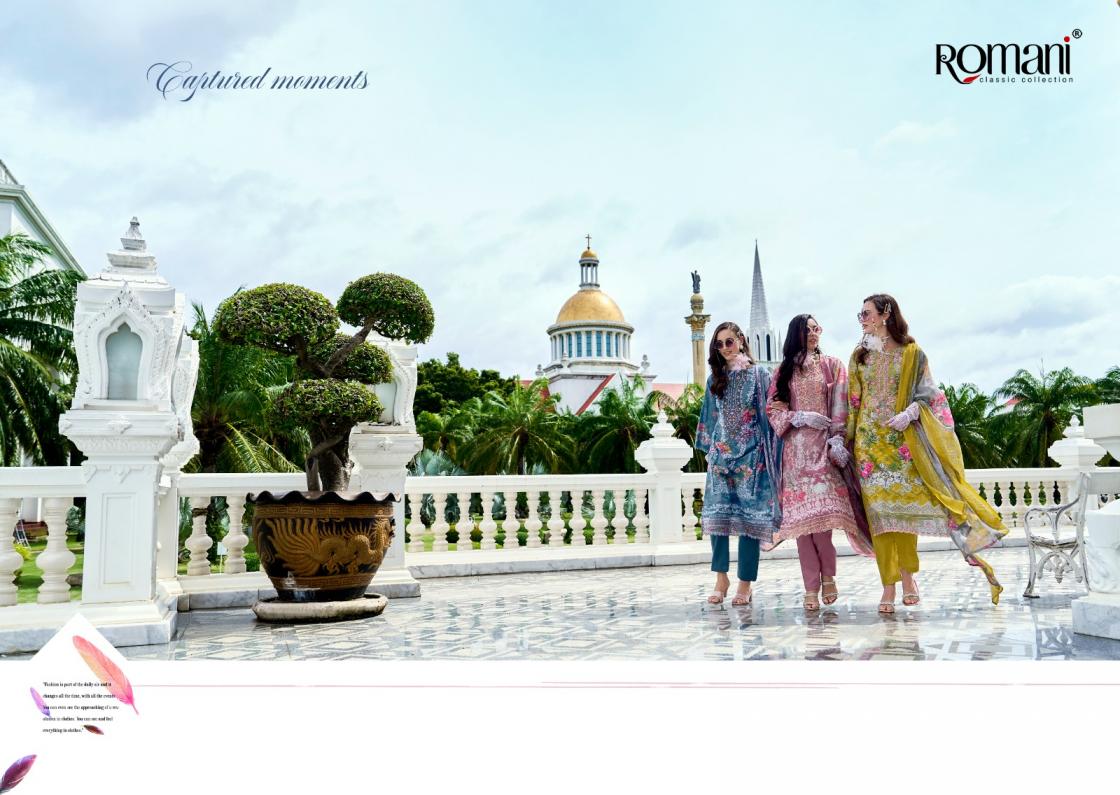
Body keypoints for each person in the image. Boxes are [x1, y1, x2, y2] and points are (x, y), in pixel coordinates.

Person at [846, 294, 1007, 614]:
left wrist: (910, 413)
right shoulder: (859, 356)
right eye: (860, 314)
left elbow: (930, 395)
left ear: (885, 314)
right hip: (869, 448)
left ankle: (908, 579)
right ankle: (888, 585)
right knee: (880, 520)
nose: (861, 319)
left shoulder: (912, 353)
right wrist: (845, 440)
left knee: (902, 515)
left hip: (903, 445)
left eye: (866, 313)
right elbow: (853, 402)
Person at [766, 314, 871, 611]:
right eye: (807, 330)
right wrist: (799, 417)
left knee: (823, 524)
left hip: (823, 451)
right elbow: (773, 410)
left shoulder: (832, 366)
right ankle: (810, 586)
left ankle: (829, 577)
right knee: (803, 529)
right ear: (795, 334)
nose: (813, 334)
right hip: (795, 456)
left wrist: (837, 439)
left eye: (816, 329)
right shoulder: (783, 371)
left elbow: (841, 406)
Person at [695, 321, 782, 607]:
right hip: (721, 460)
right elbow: (709, 418)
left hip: (752, 460)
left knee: (750, 523)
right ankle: (721, 579)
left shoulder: (759, 375)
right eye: (719, 344)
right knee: (718, 520)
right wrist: (711, 452)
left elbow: (770, 415)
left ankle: (745, 583)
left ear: (741, 341)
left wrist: (770, 455)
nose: (724, 348)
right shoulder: (714, 379)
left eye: (729, 342)